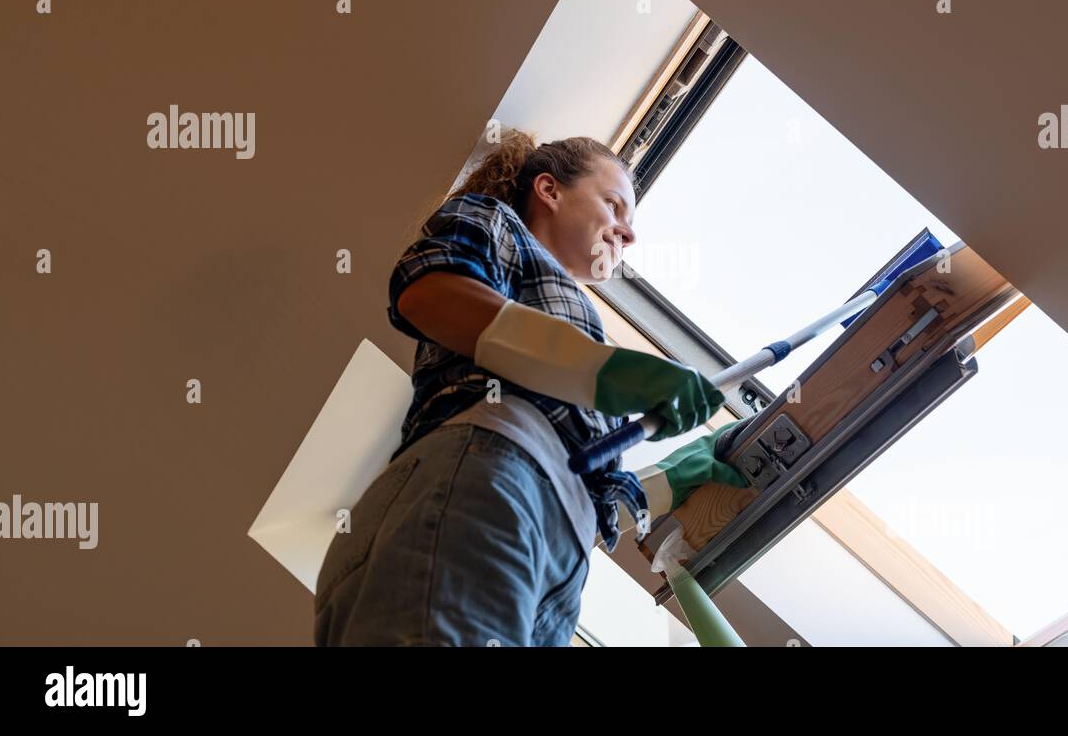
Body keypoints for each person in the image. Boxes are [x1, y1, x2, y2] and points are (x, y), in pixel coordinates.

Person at [314, 128, 748, 646]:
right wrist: (598, 368)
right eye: (614, 206)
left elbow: (572, 480)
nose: (627, 234)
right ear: (550, 190)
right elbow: (426, 294)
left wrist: (664, 483)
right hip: (484, 479)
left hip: (557, 563)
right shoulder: (495, 221)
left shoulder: (576, 316)